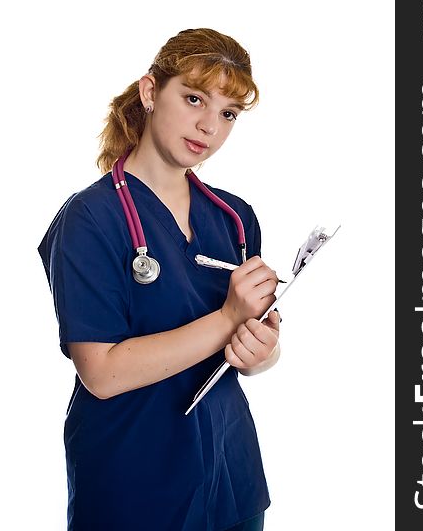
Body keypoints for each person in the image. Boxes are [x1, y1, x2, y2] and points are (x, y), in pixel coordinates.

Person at [38, 28, 281, 531]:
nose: (209, 126)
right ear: (150, 92)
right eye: (194, 98)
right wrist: (228, 319)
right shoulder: (90, 220)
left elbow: (255, 343)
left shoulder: (235, 219)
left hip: (229, 473)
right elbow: (101, 373)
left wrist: (263, 350)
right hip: (134, 482)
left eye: (228, 113)